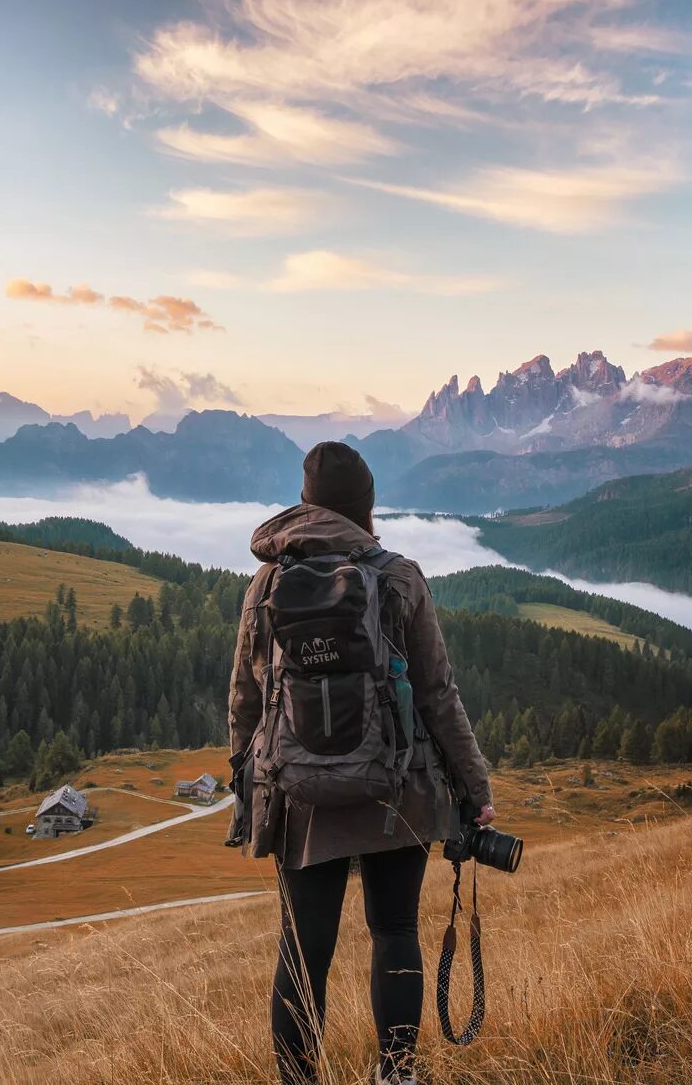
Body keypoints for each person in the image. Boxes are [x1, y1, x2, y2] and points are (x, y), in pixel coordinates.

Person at [229, 441, 495, 1085]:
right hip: (396, 786)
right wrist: (475, 786)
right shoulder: (399, 576)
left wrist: (249, 783)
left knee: (303, 949)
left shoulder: (267, 583)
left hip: (301, 795)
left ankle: (298, 1081)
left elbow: (245, 694)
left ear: (307, 502)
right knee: (395, 930)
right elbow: (437, 694)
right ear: (366, 508)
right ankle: (396, 1075)